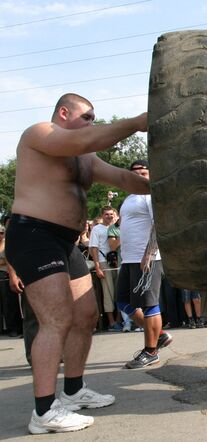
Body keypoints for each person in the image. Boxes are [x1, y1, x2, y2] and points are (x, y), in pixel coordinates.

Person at [4, 93, 149, 433]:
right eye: (87, 116)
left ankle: (72, 391)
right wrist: (135, 123)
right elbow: (86, 137)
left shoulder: (85, 158)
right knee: (56, 319)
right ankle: (43, 412)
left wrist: (168, 187)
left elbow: (126, 180)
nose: (92, 123)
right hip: (34, 235)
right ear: (64, 113)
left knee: (85, 316)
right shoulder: (40, 133)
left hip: (66, 243)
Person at [116, 160, 173, 369]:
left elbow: (159, 225)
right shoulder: (129, 198)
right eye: (135, 173)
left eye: (144, 172)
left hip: (147, 258)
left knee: (149, 303)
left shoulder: (151, 196)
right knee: (123, 302)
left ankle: (151, 351)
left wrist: (149, 253)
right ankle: (159, 335)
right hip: (129, 259)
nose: (140, 175)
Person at [88, 206, 120, 331]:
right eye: (106, 214)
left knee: (118, 292)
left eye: (111, 214)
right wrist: (97, 266)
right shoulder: (97, 229)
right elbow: (93, 248)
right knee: (108, 293)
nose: (109, 216)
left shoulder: (117, 228)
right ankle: (112, 322)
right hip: (104, 262)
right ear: (102, 215)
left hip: (118, 262)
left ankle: (119, 320)